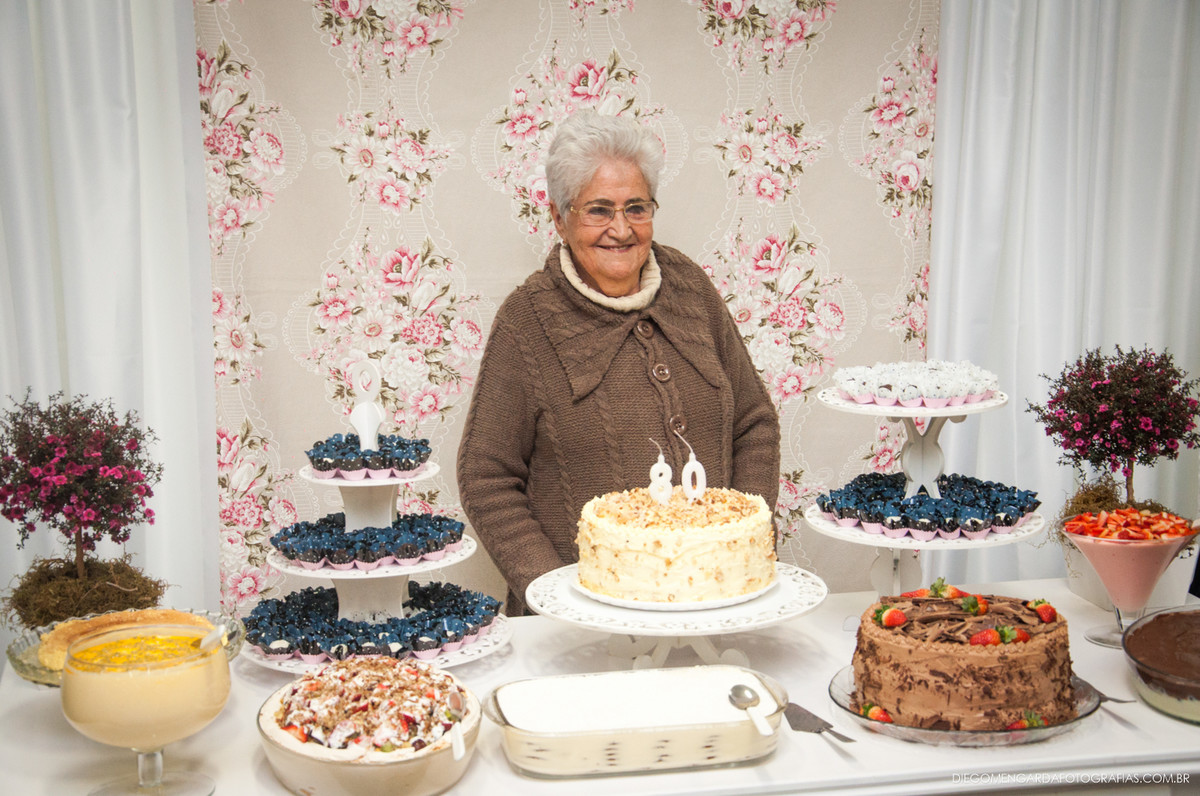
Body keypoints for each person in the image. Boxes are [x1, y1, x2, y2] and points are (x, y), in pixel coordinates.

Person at [457, 111, 781, 615]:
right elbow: (486, 476)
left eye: (636, 207)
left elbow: (754, 423)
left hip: (711, 606)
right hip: (579, 625)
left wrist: (735, 547)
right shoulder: (527, 322)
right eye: (599, 210)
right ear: (559, 218)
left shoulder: (691, 288)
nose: (621, 229)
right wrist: (555, 595)